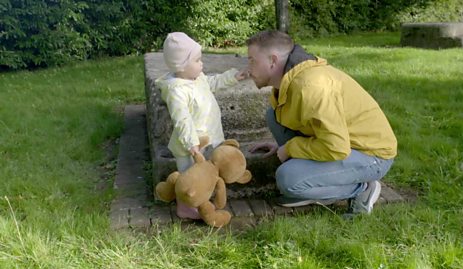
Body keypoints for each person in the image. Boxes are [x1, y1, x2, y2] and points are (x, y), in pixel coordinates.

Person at [247, 30, 397, 216]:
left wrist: (290, 147)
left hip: (371, 155)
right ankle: (314, 177)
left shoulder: (311, 86)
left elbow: (336, 147)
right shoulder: (290, 80)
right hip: (341, 143)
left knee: (289, 180)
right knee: (273, 116)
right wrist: (282, 145)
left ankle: (362, 188)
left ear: (273, 60)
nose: (247, 68)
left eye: (252, 60)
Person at [156, 32, 249, 219]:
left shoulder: (196, 78)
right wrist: (191, 143)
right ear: (181, 65)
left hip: (208, 137)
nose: (202, 64)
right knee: (189, 177)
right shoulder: (177, 91)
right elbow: (182, 119)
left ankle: (204, 201)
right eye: (197, 60)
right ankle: (185, 208)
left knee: (205, 175)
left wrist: (233, 77)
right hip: (191, 146)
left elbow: (212, 83)